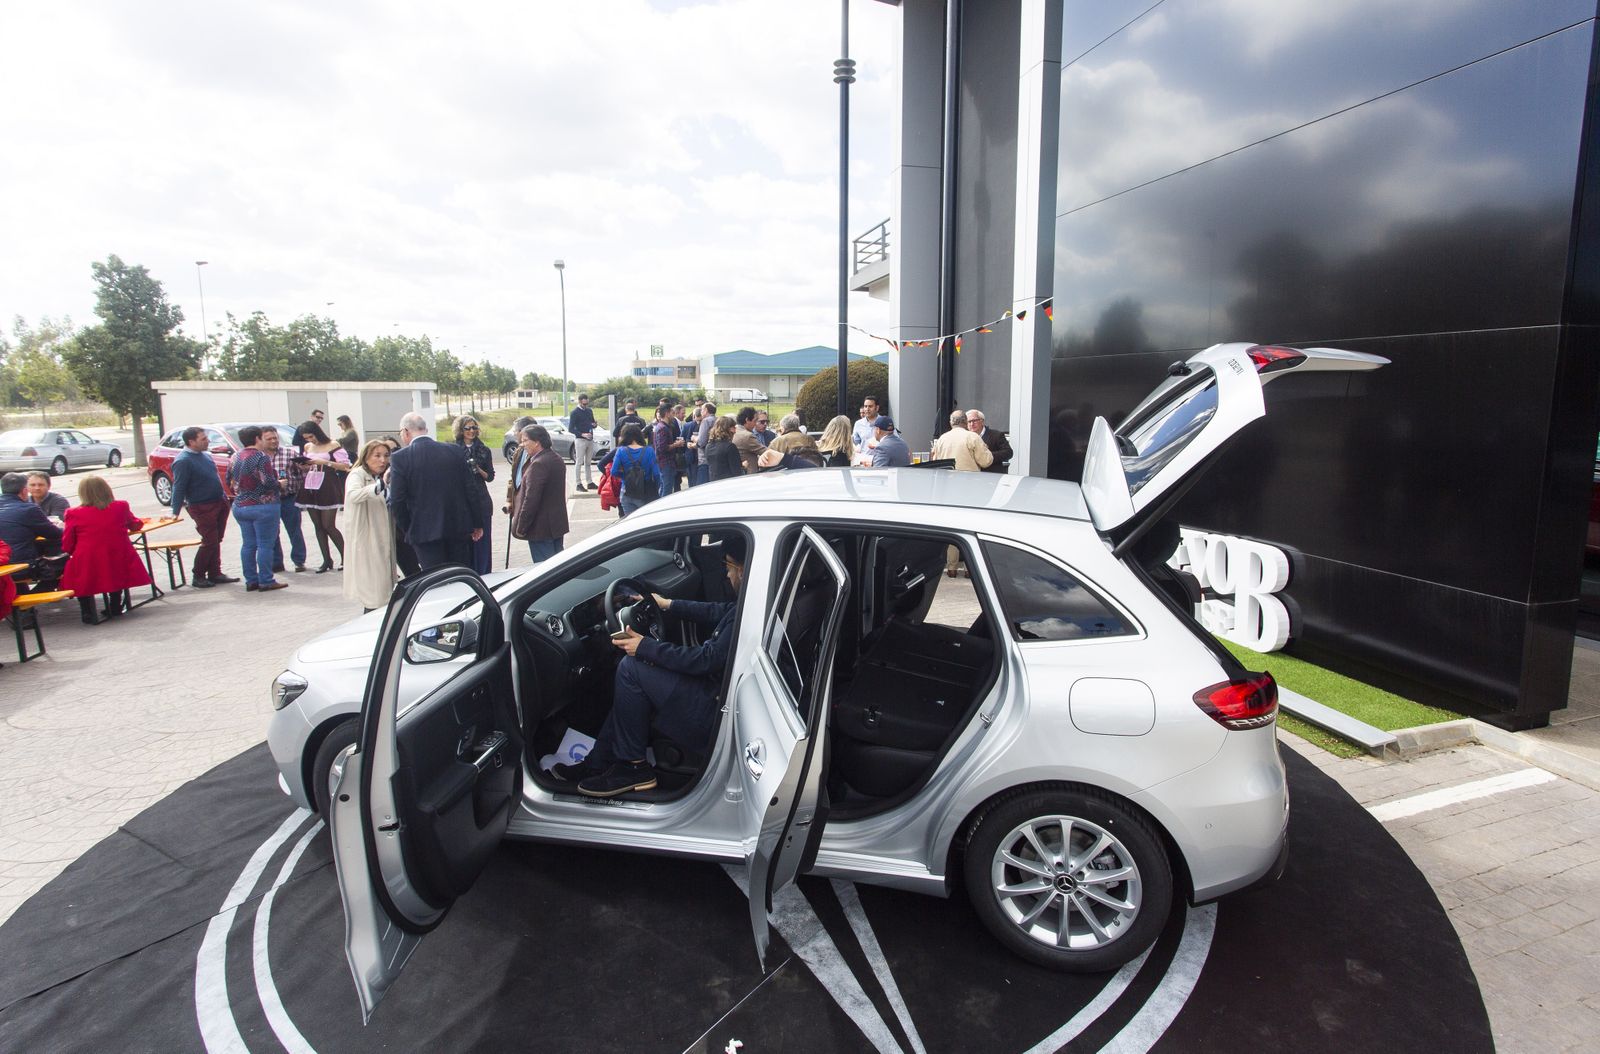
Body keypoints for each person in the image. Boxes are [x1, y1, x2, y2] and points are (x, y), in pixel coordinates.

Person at [559, 534, 747, 797]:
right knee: (632, 687)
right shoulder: (755, 600)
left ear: (742, 569)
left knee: (630, 669)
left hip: (716, 710)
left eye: (728, 567)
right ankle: (597, 763)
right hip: (721, 694)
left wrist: (645, 646)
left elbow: (707, 659)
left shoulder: (751, 608)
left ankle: (633, 767)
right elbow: (720, 611)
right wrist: (667, 604)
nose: (726, 575)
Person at [387, 412, 487, 570]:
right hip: (457, 528)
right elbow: (470, 489)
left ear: (406, 432)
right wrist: (477, 523)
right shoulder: (454, 451)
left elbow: (397, 500)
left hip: (424, 533)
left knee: (437, 580)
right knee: (460, 577)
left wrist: (409, 528)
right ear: (425, 430)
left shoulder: (401, 458)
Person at [60, 475, 152, 623]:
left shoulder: (73, 513)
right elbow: (135, 525)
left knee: (80, 576)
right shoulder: (121, 506)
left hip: (88, 554)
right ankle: (114, 605)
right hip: (117, 551)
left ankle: (87, 611)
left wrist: (70, 551)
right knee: (115, 572)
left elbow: (68, 540)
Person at [167, 426, 238, 589]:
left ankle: (215, 572)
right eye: (203, 439)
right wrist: (174, 511)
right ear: (191, 442)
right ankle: (198, 575)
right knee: (209, 540)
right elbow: (179, 487)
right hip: (201, 505)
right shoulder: (183, 460)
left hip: (219, 501)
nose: (207, 441)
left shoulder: (205, 456)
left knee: (216, 539)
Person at [226, 425, 288, 592]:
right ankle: (266, 580)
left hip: (241, 505)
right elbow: (267, 481)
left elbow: (228, 480)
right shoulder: (261, 457)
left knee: (248, 545)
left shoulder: (235, 456)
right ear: (257, 439)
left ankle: (251, 580)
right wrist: (279, 484)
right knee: (265, 545)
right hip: (264, 505)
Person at [343, 439, 398, 613]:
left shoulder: (381, 477)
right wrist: (376, 487)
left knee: (384, 587)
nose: (383, 460)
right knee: (374, 590)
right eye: (377, 456)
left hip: (384, 538)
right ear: (366, 457)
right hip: (367, 540)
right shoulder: (357, 475)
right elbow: (353, 495)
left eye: (386, 456)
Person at [295, 420, 352, 573]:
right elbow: (307, 462)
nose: (310, 440)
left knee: (329, 525)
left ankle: (346, 558)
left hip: (328, 484)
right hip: (312, 483)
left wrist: (325, 462)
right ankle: (326, 559)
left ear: (317, 432)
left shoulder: (333, 445)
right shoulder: (308, 447)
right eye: (306, 438)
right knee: (318, 526)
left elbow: (345, 466)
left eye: (311, 436)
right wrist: (304, 465)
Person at [511, 424, 569, 563]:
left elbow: (531, 499)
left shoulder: (539, 464)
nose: (522, 444)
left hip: (540, 528)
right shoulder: (555, 458)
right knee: (557, 566)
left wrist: (521, 526)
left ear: (536, 442)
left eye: (525, 440)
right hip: (555, 525)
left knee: (546, 569)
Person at [0, 471, 64, 588]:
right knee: (59, 568)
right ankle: (29, 601)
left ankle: (24, 604)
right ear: (25, 491)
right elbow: (54, 534)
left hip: (4, 564)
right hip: (22, 567)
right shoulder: (28, 509)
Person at [453, 415, 496, 574]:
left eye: (474, 427)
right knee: (465, 544)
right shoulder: (453, 449)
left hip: (481, 500)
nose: (471, 431)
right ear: (460, 430)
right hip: (462, 502)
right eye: (467, 428)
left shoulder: (484, 450)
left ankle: (484, 574)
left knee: (483, 543)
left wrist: (478, 469)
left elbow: (490, 477)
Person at [380, 436, 422, 577]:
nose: (388, 457)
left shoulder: (406, 467)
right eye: (383, 454)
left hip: (409, 524)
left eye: (393, 451)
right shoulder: (374, 475)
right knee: (408, 567)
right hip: (389, 528)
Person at [268, 427, 308, 574]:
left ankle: (299, 560)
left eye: (275, 437)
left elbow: (303, 472)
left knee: (295, 530)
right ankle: (277, 563)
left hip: (289, 497)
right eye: (269, 439)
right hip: (270, 500)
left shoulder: (289, 453)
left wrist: (305, 468)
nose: (273, 441)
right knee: (273, 532)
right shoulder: (260, 457)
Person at [610, 423, 662, 517]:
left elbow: (614, 471)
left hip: (627, 491)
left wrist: (626, 476)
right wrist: (656, 488)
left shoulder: (621, 451)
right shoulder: (649, 451)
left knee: (630, 522)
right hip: (645, 492)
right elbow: (656, 474)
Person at [931, 409, 995, 472]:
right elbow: (986, 462)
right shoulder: (973, 437)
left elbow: (935, 461)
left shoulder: (942, 439)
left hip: (947, 479)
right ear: (966, 422)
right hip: (969, 480)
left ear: (951, 422)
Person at [651, 407, 684, 498]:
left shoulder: (664, 426)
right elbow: (662, 448)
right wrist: (676, 445)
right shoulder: (662, 428)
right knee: (666, 490)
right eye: (672, 413)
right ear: (667, 413)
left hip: (665, 463)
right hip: (665, 463)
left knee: (664, 487)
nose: (673, 416)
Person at [568, 393, 599, 492]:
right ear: (580, 401)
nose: (586, 406)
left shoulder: (589, 411)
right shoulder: (575, 412)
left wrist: (594, 425)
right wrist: (582, 434)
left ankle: (589, 482)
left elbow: (592, 423)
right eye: (584, 404)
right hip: (580, 439)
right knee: (579, 461)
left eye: (587, 404)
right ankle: (578, 483)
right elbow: (571, 428)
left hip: (590, 439)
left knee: (588, 462)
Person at [967, 409, 1013, 473]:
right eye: (969, 422)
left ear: (982, 421)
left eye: (974, 421)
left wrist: (988, 456)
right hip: (972, 476)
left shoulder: (996, 435)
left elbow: (1008, 453)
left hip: (992, 475)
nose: (972, 424)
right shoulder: (965, 437)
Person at [703, 416, 742, 481]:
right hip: (728, 483)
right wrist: (743, 466)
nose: (735, 431)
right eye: (733, 428)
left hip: (714, 482)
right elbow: (736, 472)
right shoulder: (730, 447)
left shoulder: (708, 446)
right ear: (727, 429)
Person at [732, 408, 767, 474]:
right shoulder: (747, 436)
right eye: (755, 421)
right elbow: (766, 452)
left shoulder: (734, 430)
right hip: (749, 474)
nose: (755, 424)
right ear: (747, 420)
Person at [693, 401, 718, 486]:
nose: (701, 412)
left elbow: (701, 442)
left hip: (704, 459)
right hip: (716, 458)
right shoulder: (718, 420)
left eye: (702, 410)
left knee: (701, 486)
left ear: (706, 410)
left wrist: (694, 438)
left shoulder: (706, 421)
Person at [678, 404, 699, 488]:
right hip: (691, 458)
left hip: (692, 457)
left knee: (692, 481)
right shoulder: (687, 426)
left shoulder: (687, 425)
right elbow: (682, 441)